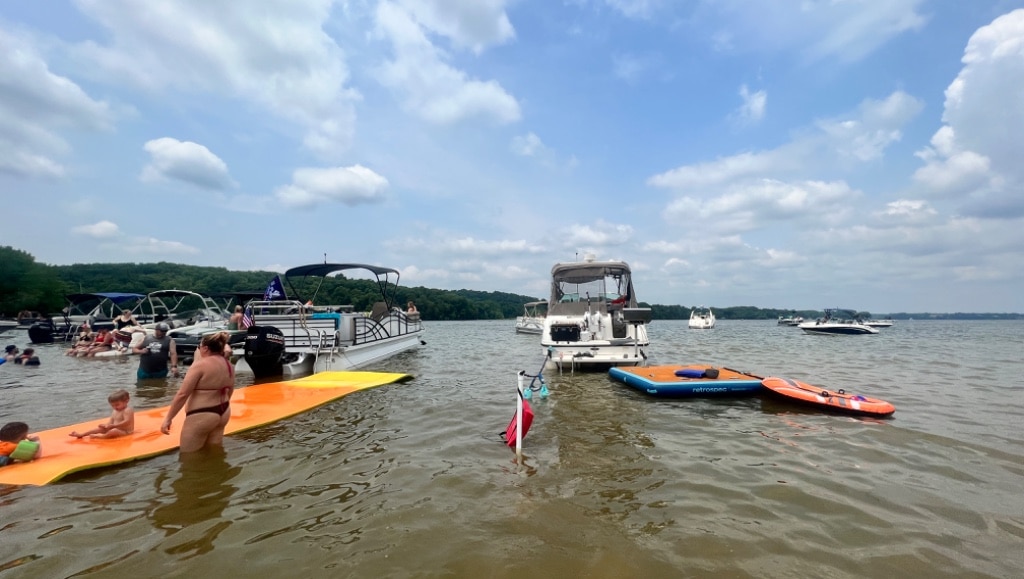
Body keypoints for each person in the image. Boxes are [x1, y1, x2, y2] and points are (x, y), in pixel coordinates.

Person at [160, 332, 235, 453]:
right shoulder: (229, 365)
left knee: (188, 456)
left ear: (205, 348)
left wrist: (168, 418)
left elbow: (183, 394)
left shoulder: (200, 366)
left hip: (202, 414)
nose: (199, 350)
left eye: (199, 347)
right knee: (215, 452)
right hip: (224, 411)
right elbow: (230, 391)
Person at [70, 390, 135, 439]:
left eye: (117, 405)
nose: (115, 407)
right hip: (115, 427)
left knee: (114, 431)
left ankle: (102, 437)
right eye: (112, 405)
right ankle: (82, 434)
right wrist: (107, 425)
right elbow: (112, 420)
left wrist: (113, 426)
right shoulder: (115, 410)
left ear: (126, 401)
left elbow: (127, 422)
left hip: (126, 432)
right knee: (99, 429)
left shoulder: (127, 410)